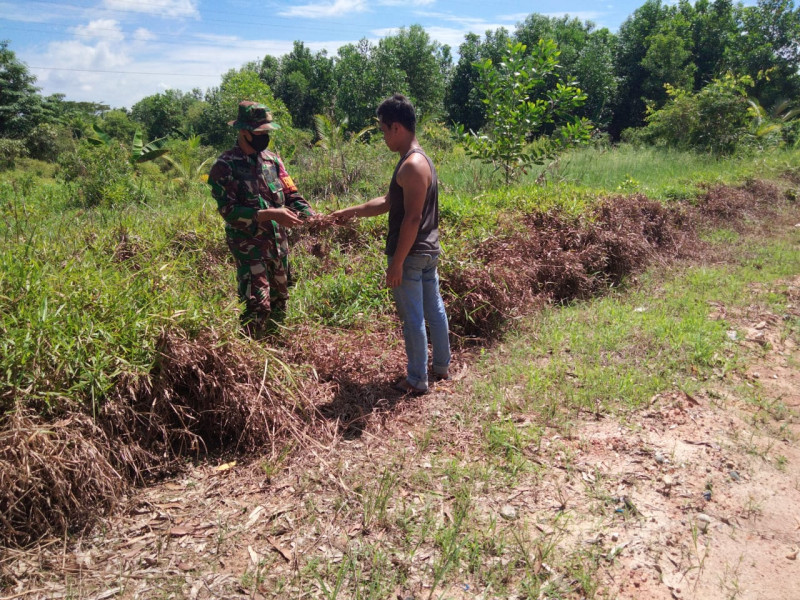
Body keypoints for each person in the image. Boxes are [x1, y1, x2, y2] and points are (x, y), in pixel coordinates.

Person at [331, 94, 451, 394]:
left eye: (384, 130)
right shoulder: (420, 160)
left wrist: (396, 262)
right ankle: (441, 367)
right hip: (428, 250)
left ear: (396, 127)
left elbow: (411, 218)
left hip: (410, 253)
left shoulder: (410, 165)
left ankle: (416, 380)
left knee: (413, 319)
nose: (384, 137)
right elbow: (387, 202)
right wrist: (351, 212)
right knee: (433, 309)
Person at [208, 100, 315, 335]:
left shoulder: (273, 161)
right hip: (250, 250)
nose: (264, 136)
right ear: (243, 132)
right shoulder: (225, 167)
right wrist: (268, 215)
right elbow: (229, 212)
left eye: (267, 131)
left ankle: (278, 350)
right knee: (257, 307)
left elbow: (291, 194)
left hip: (278, 246)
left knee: (280, 302)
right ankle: (252, 356)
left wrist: (311, 217)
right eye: (259, 132)